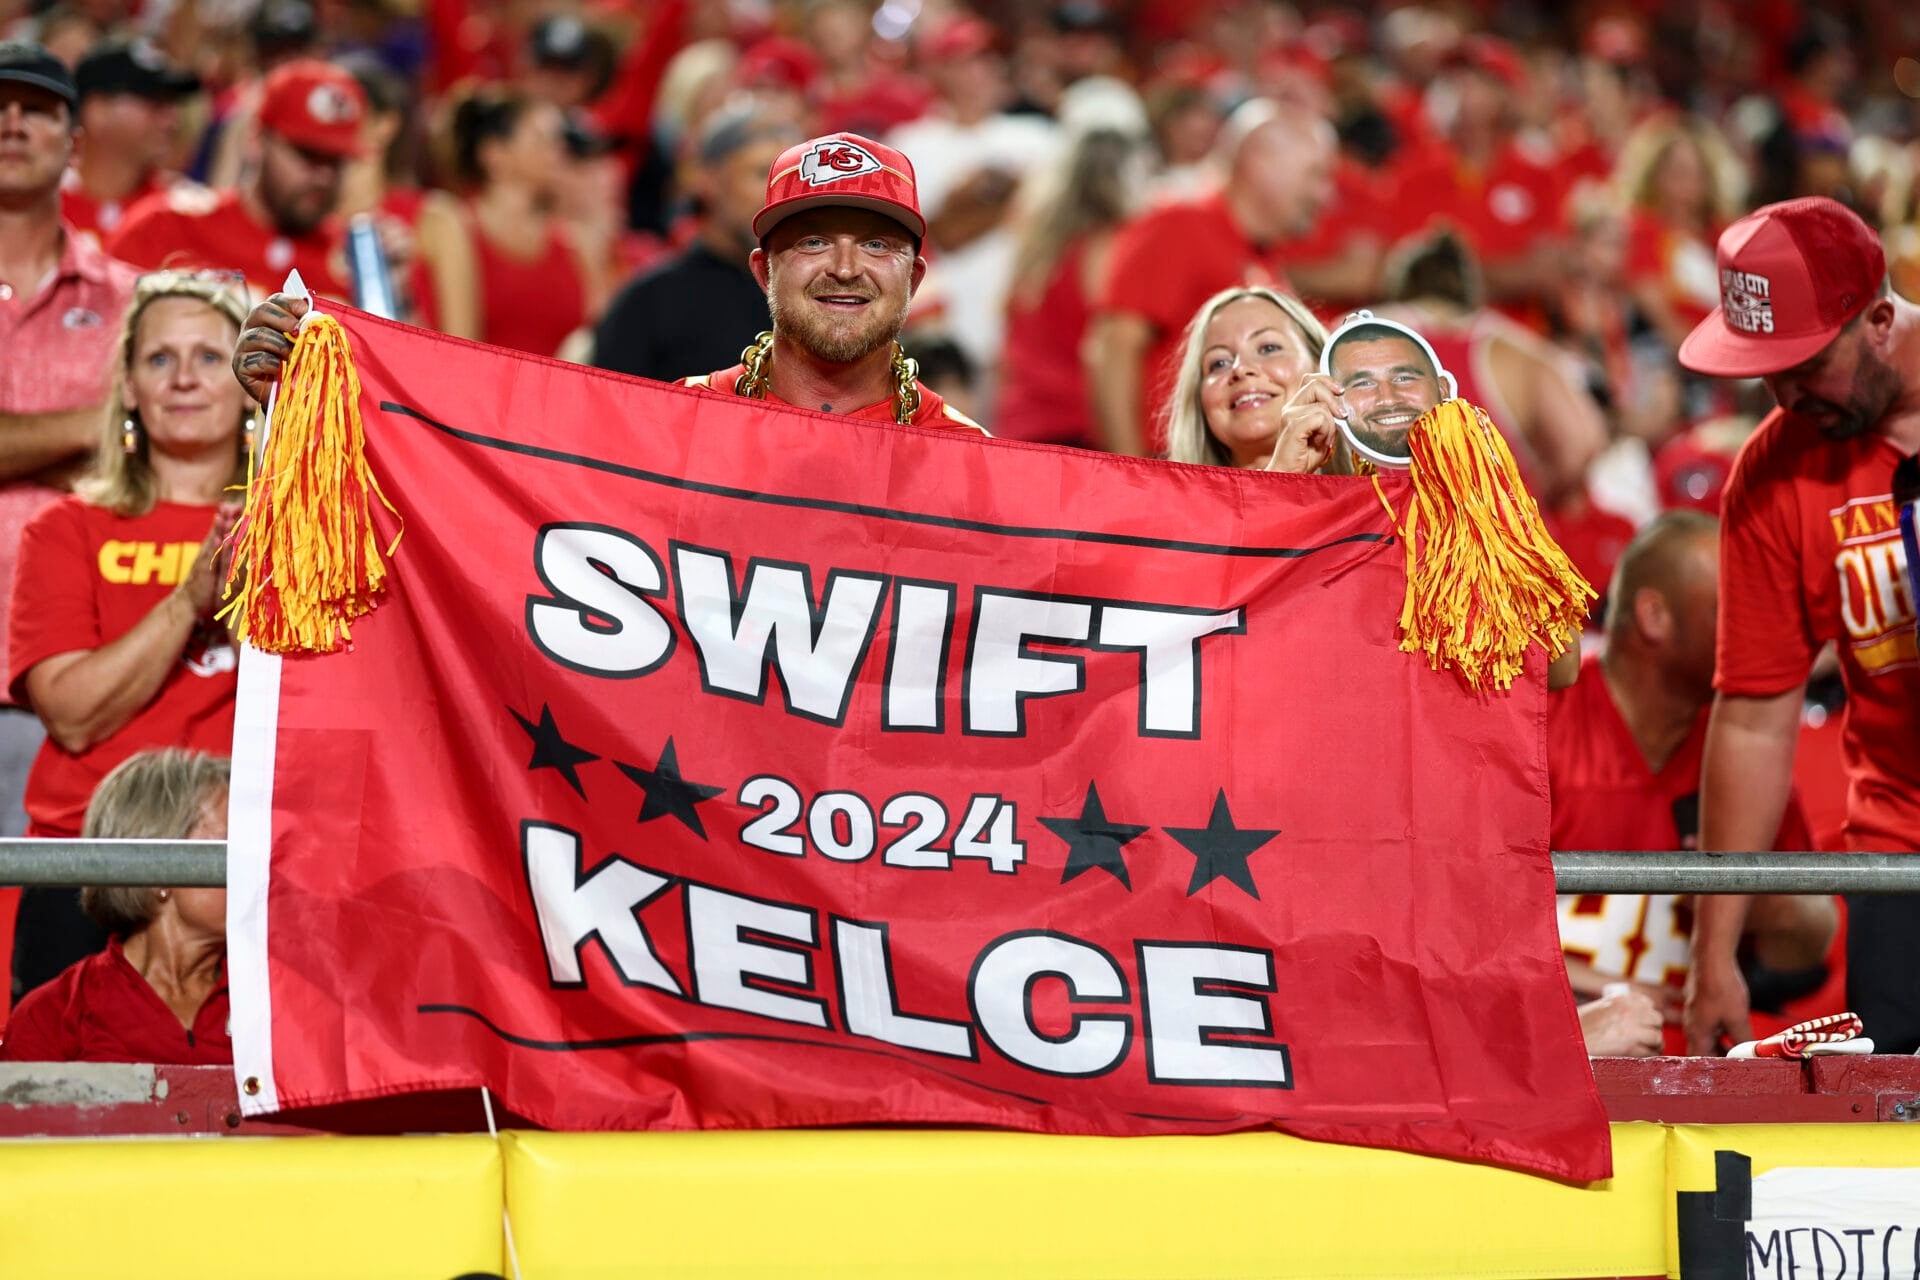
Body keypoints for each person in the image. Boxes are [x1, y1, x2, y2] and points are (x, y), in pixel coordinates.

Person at [236, 131, 985, 438]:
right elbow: (472, 469)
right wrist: (320, 394)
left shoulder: (977, 467)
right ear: (764, 270)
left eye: (878, 245)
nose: (846, 268)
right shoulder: (668, 432)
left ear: (914, 277)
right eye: (813, 240)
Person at [1677, 197, 1920, 1055]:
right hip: (1902, 843)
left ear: (1881, 320)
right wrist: (1715, 956)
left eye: (1806, 363)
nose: (1782, 393)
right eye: (1763, 369)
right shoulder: (1773, 476)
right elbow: (1750, 721)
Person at [9, 269, 247, 1003]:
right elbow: (73, 716)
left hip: (246, 864)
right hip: (90, 867)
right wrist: (189, 601)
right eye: (158, 359)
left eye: (210, 357)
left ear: (251, 387)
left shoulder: (305, 533)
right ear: (130, 391)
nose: (183, 378)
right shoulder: (65, 528)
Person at [1553, 511, 1837, 1056]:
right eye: (1733, 609)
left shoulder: (1745, 751)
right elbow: (1457, 926)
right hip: (1553, 1052)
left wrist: (1769, 902)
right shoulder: (1543, 725)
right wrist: (1590, 994)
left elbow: (1805, 950)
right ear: (1655, 616)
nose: (1763, 629)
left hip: (1702, 1061)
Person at [0, 42, 141, 1009]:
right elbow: (139, 434)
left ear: (73, 142)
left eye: (34, 111)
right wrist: (104, 427)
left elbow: (180, 436)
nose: (10, 125)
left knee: (42, 955)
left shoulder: (131, 299)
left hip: (83, 674)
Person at [1086, 98, 1336, 457]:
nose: (1324, 194)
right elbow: (1113, 348)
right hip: (1170, 474)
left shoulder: (1263, 258)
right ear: (1260, 161)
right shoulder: (1180, 227)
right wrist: (1131, 475)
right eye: (1315, 174)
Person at [0, 750, 231, 1063]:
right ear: (160, 871)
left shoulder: (278, 1006)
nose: (259, 868)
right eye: (229, 844)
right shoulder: (53, 1017)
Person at [886, 13, 1059, 378]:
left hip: (1020, 332)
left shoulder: (1038, 138)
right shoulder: (910, 144)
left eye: (988, 60)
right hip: (938, 329)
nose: (981, 73)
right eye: (965, 62)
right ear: (939, 71)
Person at [107, 58, 366, 297]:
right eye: (307, 154)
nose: (323, 175)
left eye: (336, 160)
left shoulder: (358, 265)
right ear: (256, 139)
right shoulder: (168, 226)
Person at [591, 104, 797, 382]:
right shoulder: (649, 303)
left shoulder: (812, 301)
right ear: (706, 179)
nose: (778, 197)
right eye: (762, 174)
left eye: (791, 182)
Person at [993, 108, 1145, 449]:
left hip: (1019, 425)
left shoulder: (1036, 243)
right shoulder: (1112, 246)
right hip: (1079, 430)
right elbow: (1106, 352)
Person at [415, 83, 598, 356]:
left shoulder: (574, 241)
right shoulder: (451, 224)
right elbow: (456, 348)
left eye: (559, 140)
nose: (559, 151)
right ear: (494, 154)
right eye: (541, 140)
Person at [1161, 284, 1340, 474]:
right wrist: (1282, 475)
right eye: (1219, 363)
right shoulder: (1169, 502)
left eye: (1268, 348)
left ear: (1321, 365)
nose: (1240, 368)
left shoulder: (1373, 491)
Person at [62, 39, 200, 249]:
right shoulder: (34, 202)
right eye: (155, 102)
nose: (172, 120)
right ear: (97, 112)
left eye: (172, 104)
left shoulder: (188, 210)